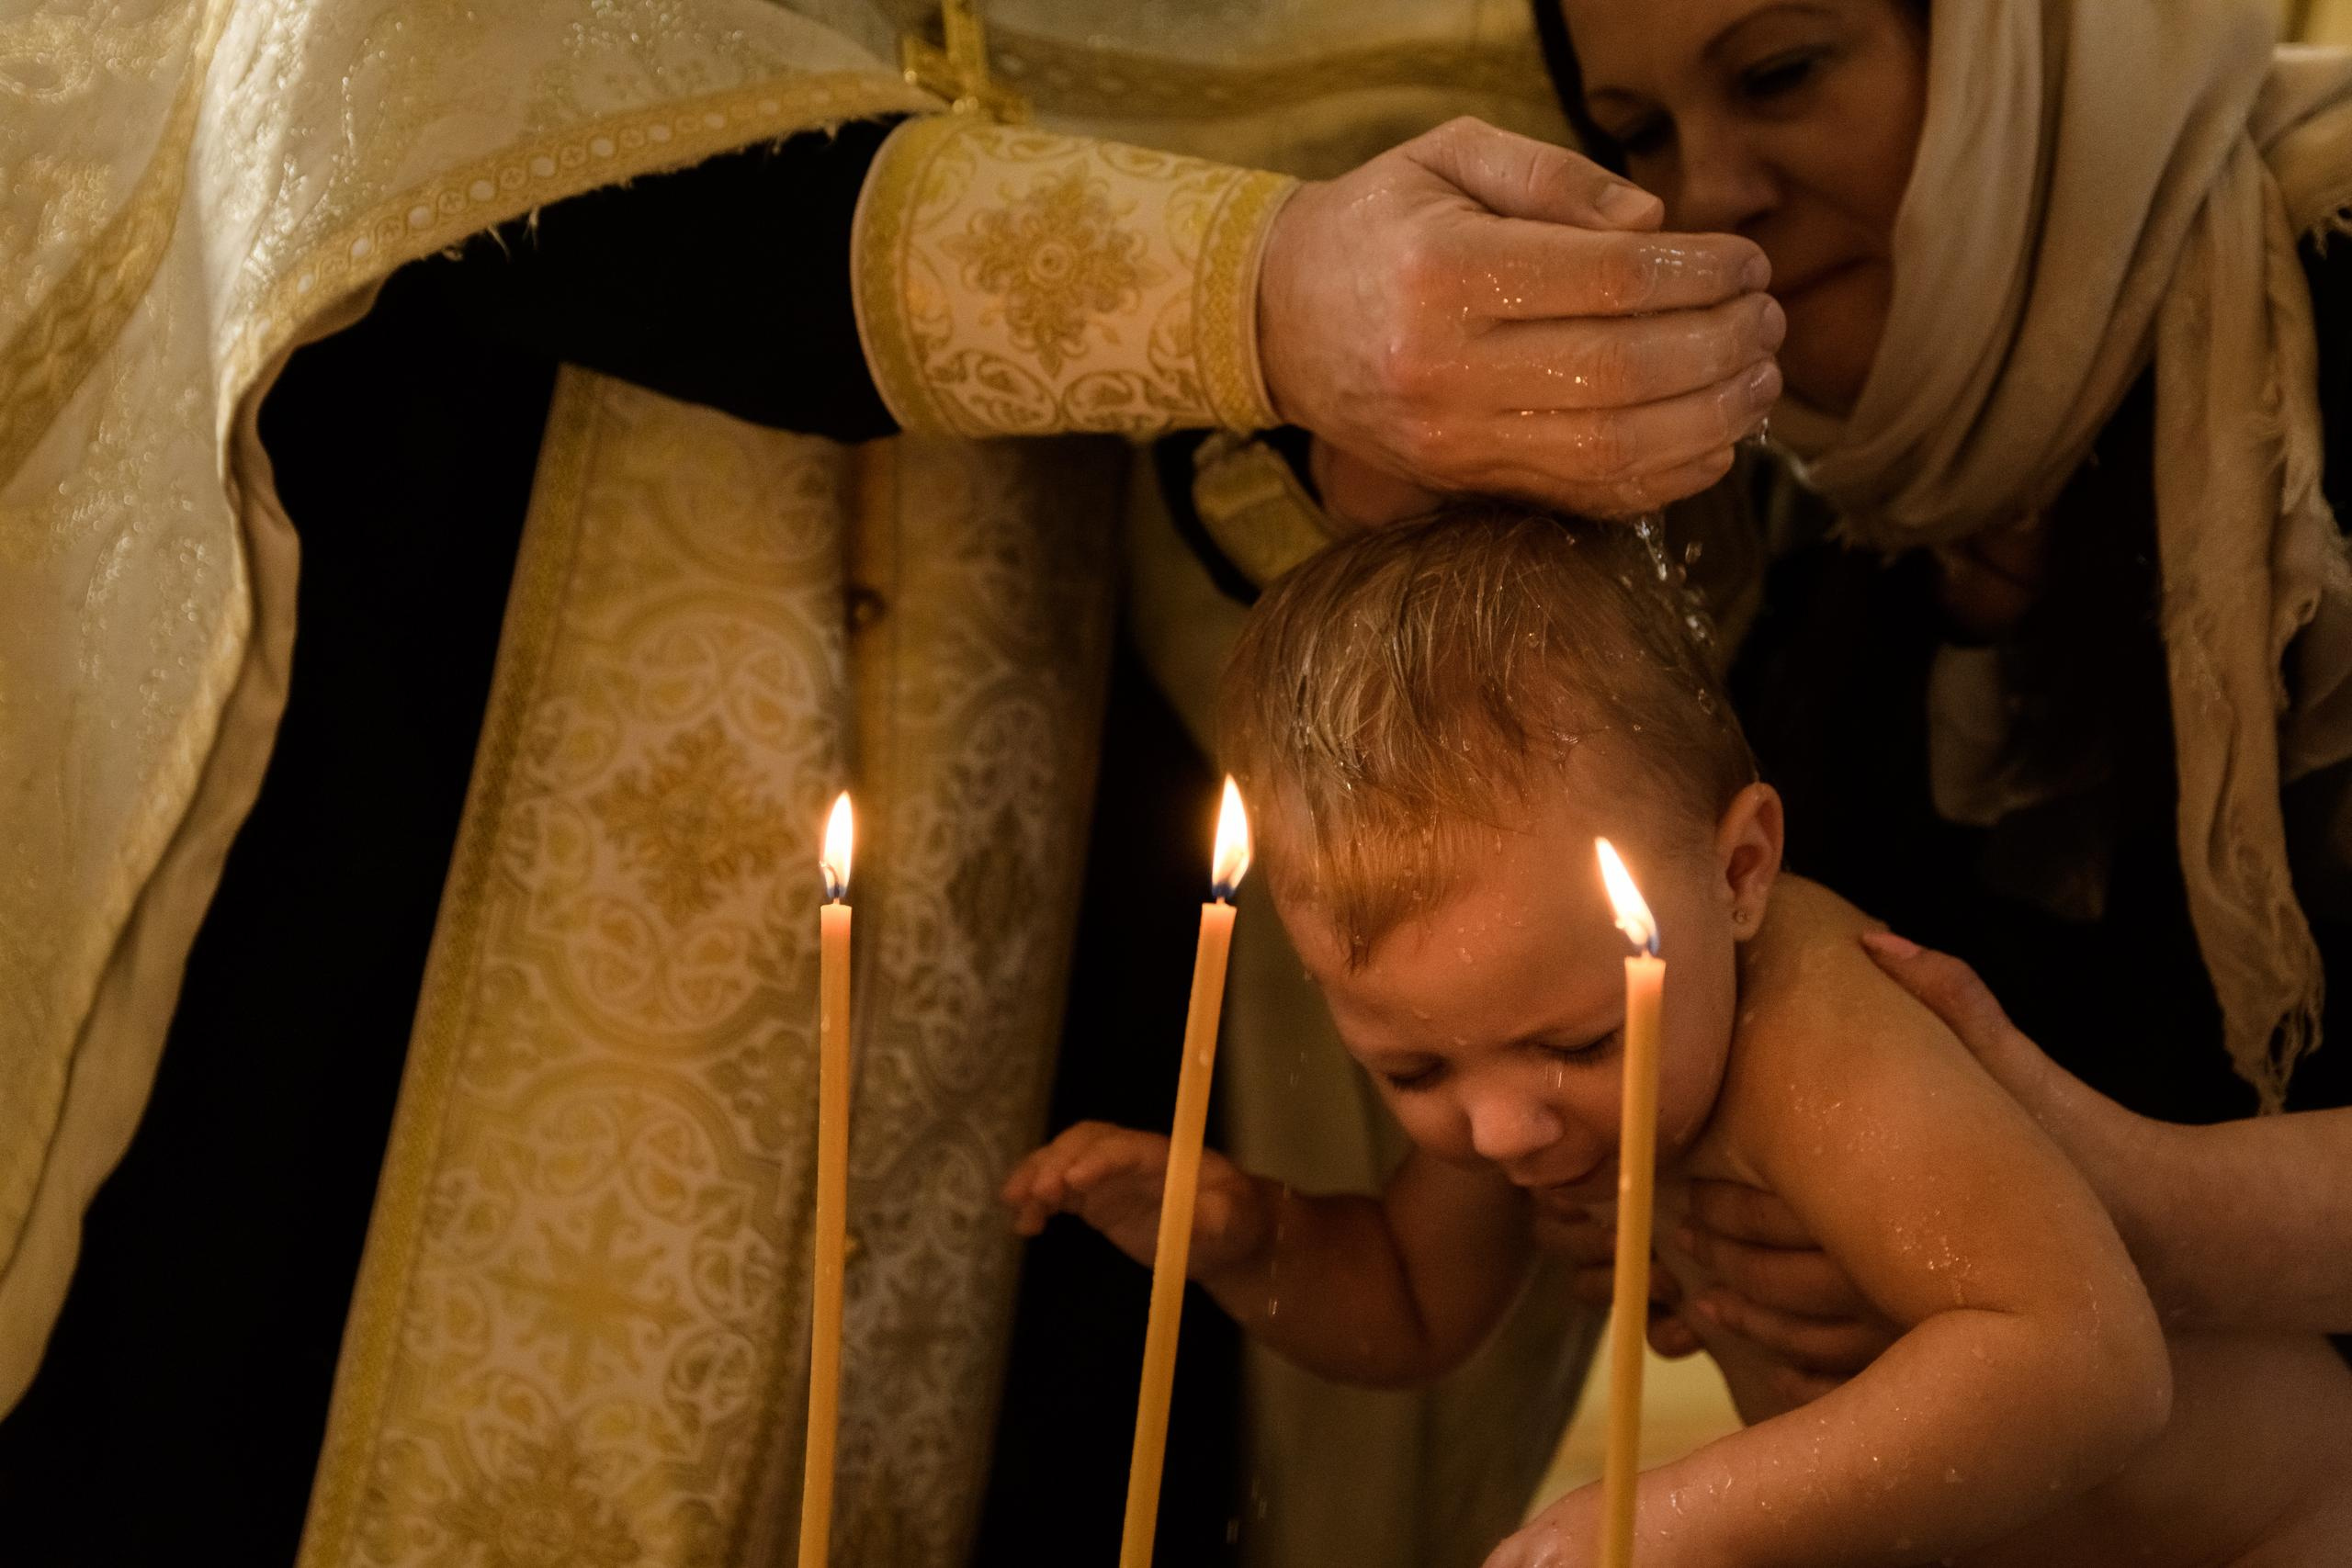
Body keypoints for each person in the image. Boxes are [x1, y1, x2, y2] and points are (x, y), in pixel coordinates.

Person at [0, 5, 1781, 1566]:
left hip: (1029, 691)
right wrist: (1249, 286)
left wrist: (1345, 410)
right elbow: (415, 87)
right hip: (438, 667)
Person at [1005, 507, 2352, 1566]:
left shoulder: (1815, 1028)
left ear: (1742, 871)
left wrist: (1688, 1514)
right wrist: (1254, 1241)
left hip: (2266, 1539)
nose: (1498, 1130)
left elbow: (2091, 1361)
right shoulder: (1514, 1048)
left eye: (1581, 1046)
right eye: (1409, 1071)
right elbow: (1412, 1312)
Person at [1466, 0, 2352, 1437]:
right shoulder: (1776, 479)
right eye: (1635, 135)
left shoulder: (2327, 290)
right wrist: (1688, 1195)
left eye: (1781, 74)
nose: (1706, 197)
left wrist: (2117, 1225)